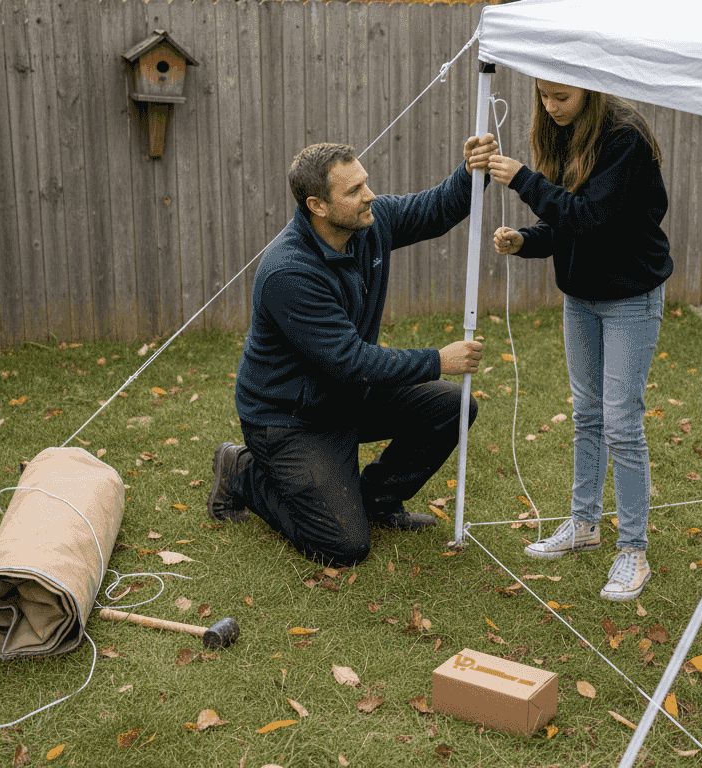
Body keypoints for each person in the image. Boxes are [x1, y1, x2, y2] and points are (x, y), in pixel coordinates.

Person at [207, 135, 498, 566]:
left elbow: (435, 209)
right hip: (291, 419)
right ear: (317, 205)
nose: (370, 196)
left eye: (365, 182)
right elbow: (350, 361)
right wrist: (439, 359)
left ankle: (377, 499)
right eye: (355, 190)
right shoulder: (289, 272)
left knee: (452, 406)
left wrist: (474, 170)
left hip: (347, 395)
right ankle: (241, 470)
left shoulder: (367, 224)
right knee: (343, 547)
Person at [487, 80, 671, 601]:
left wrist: (522, 179)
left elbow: (592, 216)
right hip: (581, 297)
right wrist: (526, 240)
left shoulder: (623, 140)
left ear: (589, 90)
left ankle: (633, 549)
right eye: (542, 95)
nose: (550, 106)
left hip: (630, 295)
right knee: (587, 414)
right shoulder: (562, 133)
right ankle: (584, 525)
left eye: (560, 97)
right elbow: (565, 221)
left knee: (621, 422)